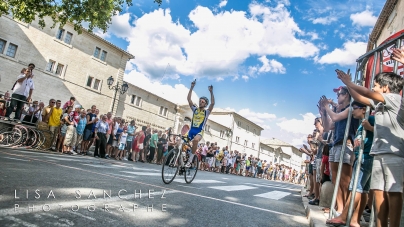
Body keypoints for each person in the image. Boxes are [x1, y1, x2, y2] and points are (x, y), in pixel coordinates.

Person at [336, 69, 404, 227]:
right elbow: (360, 97)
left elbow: (366, 92)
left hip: (394, 154)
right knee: (378, 191)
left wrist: (348, 83)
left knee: (393, 193)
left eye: (376, 85)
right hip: (378, 153)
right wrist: (348, 85)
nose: (373, 88)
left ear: (386, 88)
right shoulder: (380, 102)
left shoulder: (395, 99)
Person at [326, 101, 375, 227]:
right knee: (363, 190)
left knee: (355, 187)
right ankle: (355, 220)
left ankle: (344, 216)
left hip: (366, 157)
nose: (352, 110)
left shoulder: (370, 119)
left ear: (364, 109)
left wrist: (370, 128)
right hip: (362, 156)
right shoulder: (361, 123)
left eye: (355, 108)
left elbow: (381, 133)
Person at [184, 80, 215, 168]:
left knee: (196, 140)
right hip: (191, 131)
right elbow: (189, 99)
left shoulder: (206, 112)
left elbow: (212, 103)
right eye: (200, 101)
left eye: (202, 102)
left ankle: (190, 161)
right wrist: (191, 87)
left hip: (199, 132)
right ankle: (179, 158)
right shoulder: (195, 110)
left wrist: (211, 92)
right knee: (180, 142)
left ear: (205, 104)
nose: (200, 102)